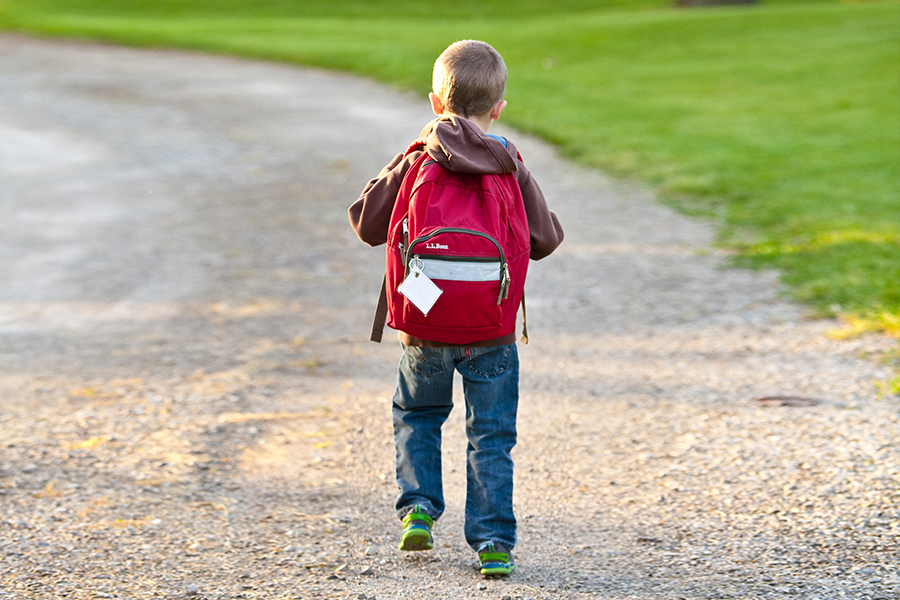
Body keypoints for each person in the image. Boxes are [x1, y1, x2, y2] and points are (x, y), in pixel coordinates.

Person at [348, 39, 564, 576]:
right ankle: (493, 544)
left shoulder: (419, 158)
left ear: (434, 103)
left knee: (418, 415)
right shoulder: (508, 161)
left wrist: (409, 154)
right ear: (499, 108)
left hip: (425, 327)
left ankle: (418, 509)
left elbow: (366, 224)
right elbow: (546, 239)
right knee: (490, 435)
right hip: (491, 329)